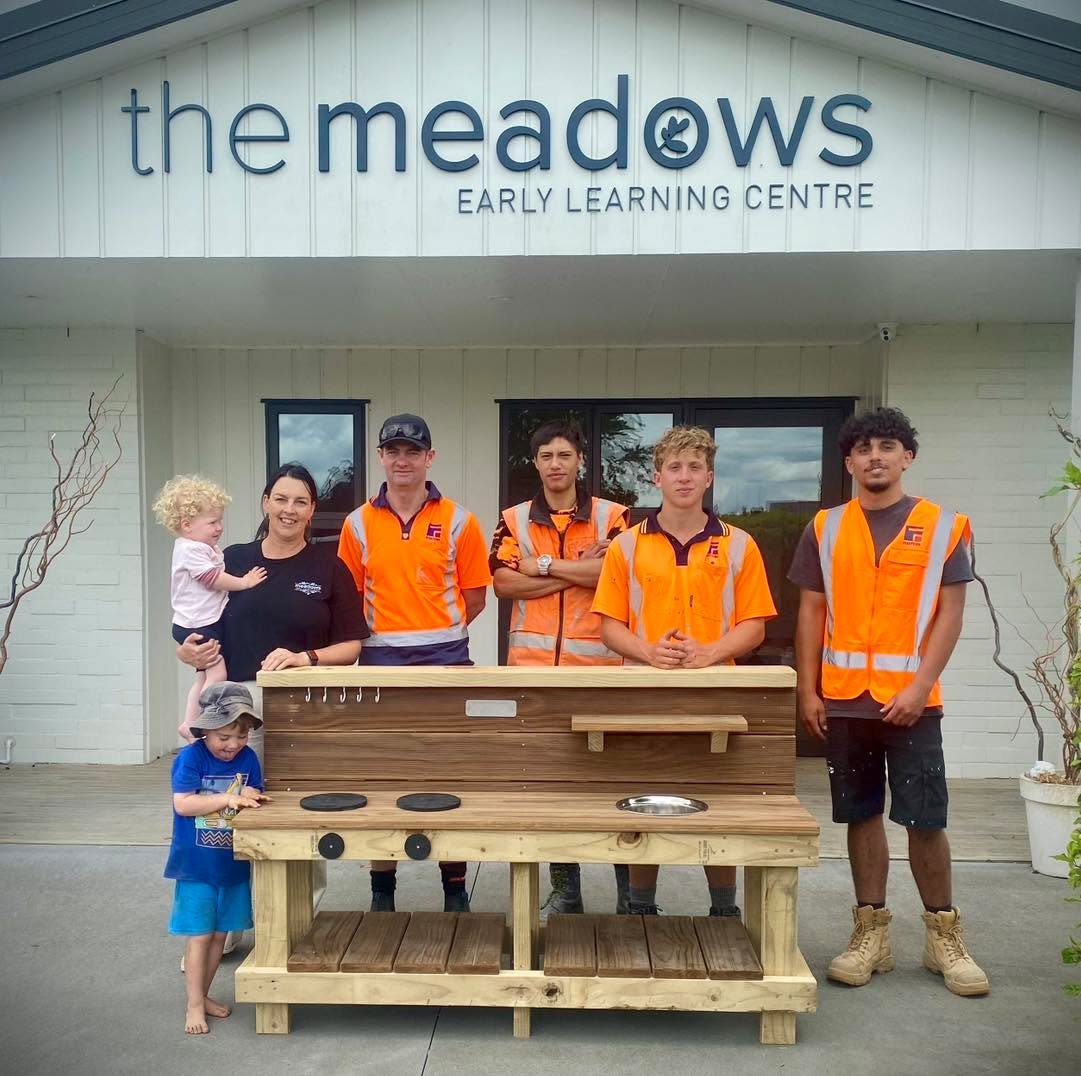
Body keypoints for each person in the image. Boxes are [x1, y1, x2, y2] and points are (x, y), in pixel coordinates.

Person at [787, 406, 989, 996]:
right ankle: (869, 933)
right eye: (864, 448)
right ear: (849, 462)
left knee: (925, 819)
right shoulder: (824, 528)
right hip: (846, 700)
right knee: (860, 814)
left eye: (888, 446)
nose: (875, 456)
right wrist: (808, 687)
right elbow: (811, 612)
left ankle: (944, 937)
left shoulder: (945, 526)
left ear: (908, 457)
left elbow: (951, 611)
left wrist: (921, 686)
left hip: (914, 702)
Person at [176, 463, 367, 955]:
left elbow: (352, 646)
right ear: (265, 502)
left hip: (306, 709)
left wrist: (306, 657)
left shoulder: (328, 567)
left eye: (300, 501)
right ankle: (222, 931)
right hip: (235, 710)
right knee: (227, 816)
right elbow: (191, 621)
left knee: (301, 816)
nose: (289, 509)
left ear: (312, 512)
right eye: (281, 498)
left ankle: (294, 929)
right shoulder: (231, 558)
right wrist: (187, 652)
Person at [592, 425, 777, 917]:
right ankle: (639, 908)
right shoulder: (626, 546)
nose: (684, 476)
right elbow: (608, 626)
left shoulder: (740, 544)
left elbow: (754, 626)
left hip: (716, 691)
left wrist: (711, 652)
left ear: (710, 476)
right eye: (674, 467)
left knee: (718, 803)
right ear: (657, 477)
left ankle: (723, 911)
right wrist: (649, 653)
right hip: (643, 693)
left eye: (695, 467)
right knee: (643, 801)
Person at [338, 414, 492, 913]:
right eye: (392, 451)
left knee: (451, 775)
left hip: (448, 660)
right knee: (385, 778)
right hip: (379, 662)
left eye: (412, 451)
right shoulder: (357, 522)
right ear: (380, 457)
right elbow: (349, 598)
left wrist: (432, 632)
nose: (402, 460)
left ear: (430, 457)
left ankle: (454, 889)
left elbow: (474, 596)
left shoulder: (460, 520)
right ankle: (383, 893)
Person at [490, 419, 630, 915]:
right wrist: (581, 574)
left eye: (565, 455)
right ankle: (566, 890)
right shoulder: (514, 519)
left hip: (599, 673)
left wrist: (545, 567)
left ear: (580, 461)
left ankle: (630, 897)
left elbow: (619, 575)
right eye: (546, 456)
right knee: (547, 786)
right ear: (536, 463)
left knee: (612, 784)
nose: (556, 464)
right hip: (533, 675)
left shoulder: (615, 516)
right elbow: (504, 585)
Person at [165, 682, 270, 1035]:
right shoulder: (191, 757)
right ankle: (193, 1004)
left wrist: (253, 794)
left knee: (219, 936)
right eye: (224, 736)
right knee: (199, 936)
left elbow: (255, 790)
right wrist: (228, 799)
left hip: (233, 864)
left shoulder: (249, 758)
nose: (233, 745)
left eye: (241, 736)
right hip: (196, 866)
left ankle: (205, 995)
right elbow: (184, 803)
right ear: (206, 729)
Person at [153, 475, 267, 741]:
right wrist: (245, 582)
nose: (219, 528)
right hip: (198, 623)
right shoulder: (191, 550)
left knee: (204, 677)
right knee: (217, 674)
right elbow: (213, 579)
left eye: (220, 521)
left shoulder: (200, 546)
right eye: (212, 522)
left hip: (197, 621)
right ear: (187, 525)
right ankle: (198, 721)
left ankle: (190, 721)